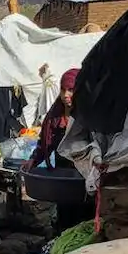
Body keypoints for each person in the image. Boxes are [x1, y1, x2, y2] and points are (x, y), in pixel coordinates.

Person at [23, 68, 92, 231]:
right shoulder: (56, 114)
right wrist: (34, 160)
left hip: (84, 172)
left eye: (71, 90)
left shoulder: (88, 114)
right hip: (64, 174)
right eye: (63, 90)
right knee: (65, 214)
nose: (66, 95)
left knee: (83, 214)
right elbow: (45, 142)